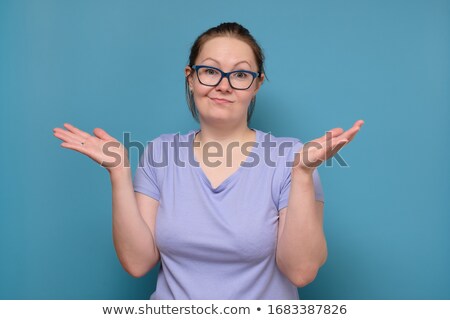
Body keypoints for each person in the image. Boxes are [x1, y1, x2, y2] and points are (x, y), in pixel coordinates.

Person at [53, 22, 363, 299]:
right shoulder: (159, 154)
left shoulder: (292, 158)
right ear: (191, 78)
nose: (223, 84)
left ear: (256, 85)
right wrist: (119, 172)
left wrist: (302, 174)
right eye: (211, 71)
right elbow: (137, 263)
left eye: (240, 74)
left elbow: (301, 271)